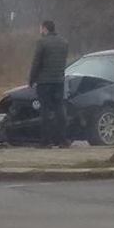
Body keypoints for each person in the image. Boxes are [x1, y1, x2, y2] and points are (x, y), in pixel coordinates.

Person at [29, 20, 69, 148]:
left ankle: (46, 141)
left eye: (40, 28)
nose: (40, 31)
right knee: (59, 109)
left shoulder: (42, 43)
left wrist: (31, 79)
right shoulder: (64, 42)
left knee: (45, 110)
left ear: (45, 29)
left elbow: (36, 63)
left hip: (44, 82)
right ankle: (62, 140)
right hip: (59, 81)